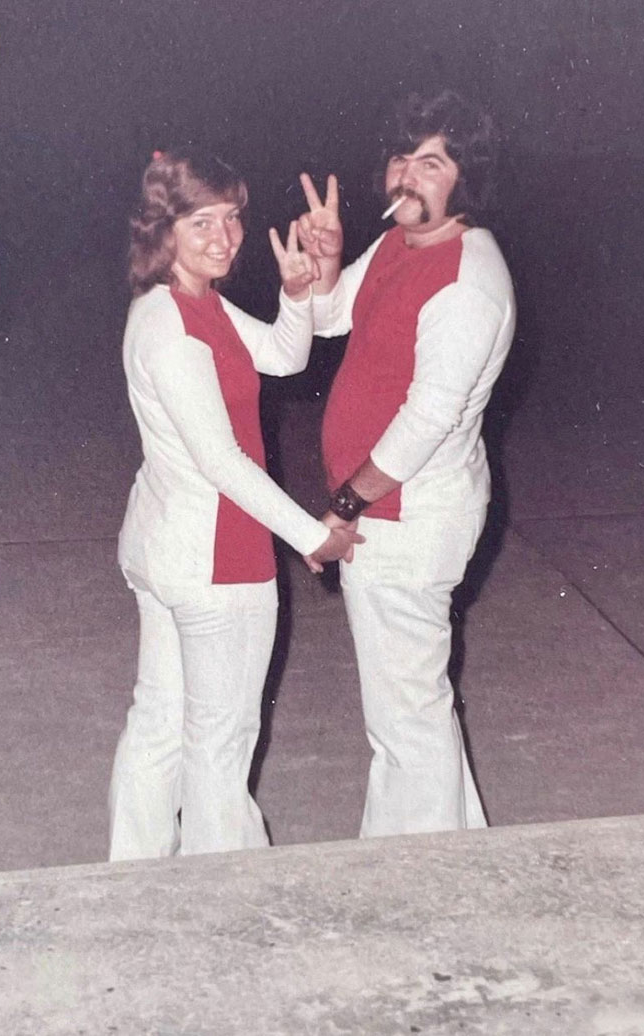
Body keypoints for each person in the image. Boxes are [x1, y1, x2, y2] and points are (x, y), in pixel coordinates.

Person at [109, 148, 363, 861]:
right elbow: (220, 459)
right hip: (216, 562)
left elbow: (284, 358)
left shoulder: (192, 304)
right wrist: (313, 536)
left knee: (161, 724)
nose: (223, 238)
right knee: (218, 748)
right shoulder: (173, 326)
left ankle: (128, 880)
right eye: (201, 222)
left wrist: (297, 294)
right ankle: (223, 912)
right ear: (163, 228)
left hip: (170, 550)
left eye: (232, 220)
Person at [297, 90, 516, 837]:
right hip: (390, 513)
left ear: (466, 179)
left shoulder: (466, 280)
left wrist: (345, 504)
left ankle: (419, 890)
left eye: (432, 162)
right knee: (412, 711)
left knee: (405, 723)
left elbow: (428, 417)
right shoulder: (401, 241)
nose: (408, 177)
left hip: (406, 518)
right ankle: (455, 865)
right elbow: (330, 318)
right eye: (401, 157)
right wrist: (325, 266)